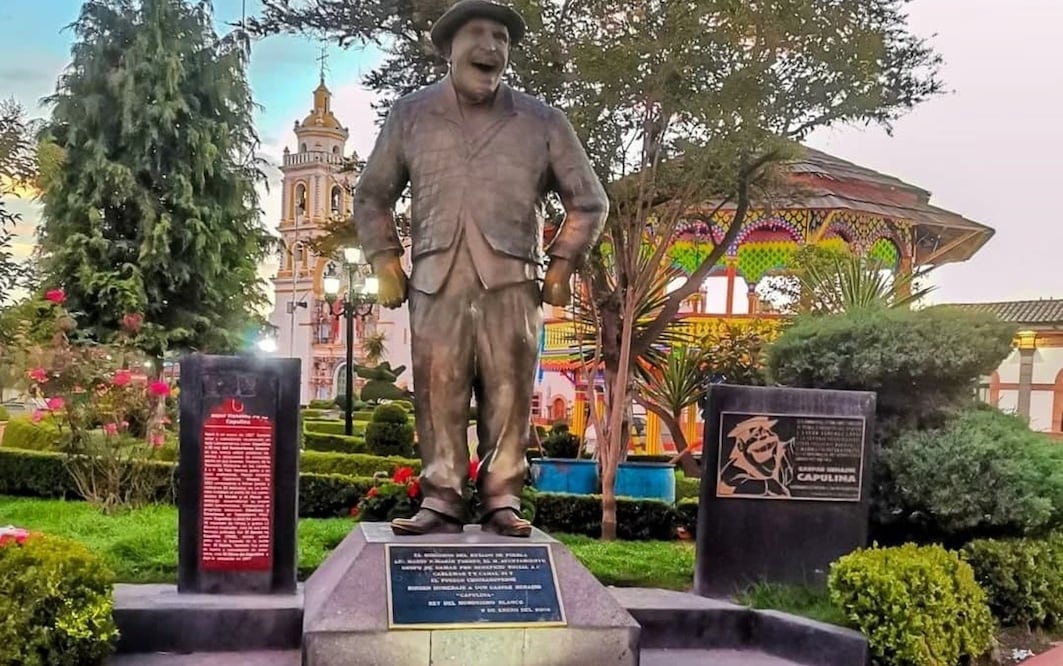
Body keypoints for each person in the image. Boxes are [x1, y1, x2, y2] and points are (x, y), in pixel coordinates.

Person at [353, 0, 607, 537]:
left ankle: (501, 499)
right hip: (434, 279)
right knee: (437, 390)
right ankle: (442, 497)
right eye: (478, 34)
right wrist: (384, 261)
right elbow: (372, 195)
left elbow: (589, 201)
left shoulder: (543, 121)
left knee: (510, 393)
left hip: (513, 283)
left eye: (502, 37)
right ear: (449, 47)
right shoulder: (411, 115)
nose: (491, 47)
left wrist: (561, 264)